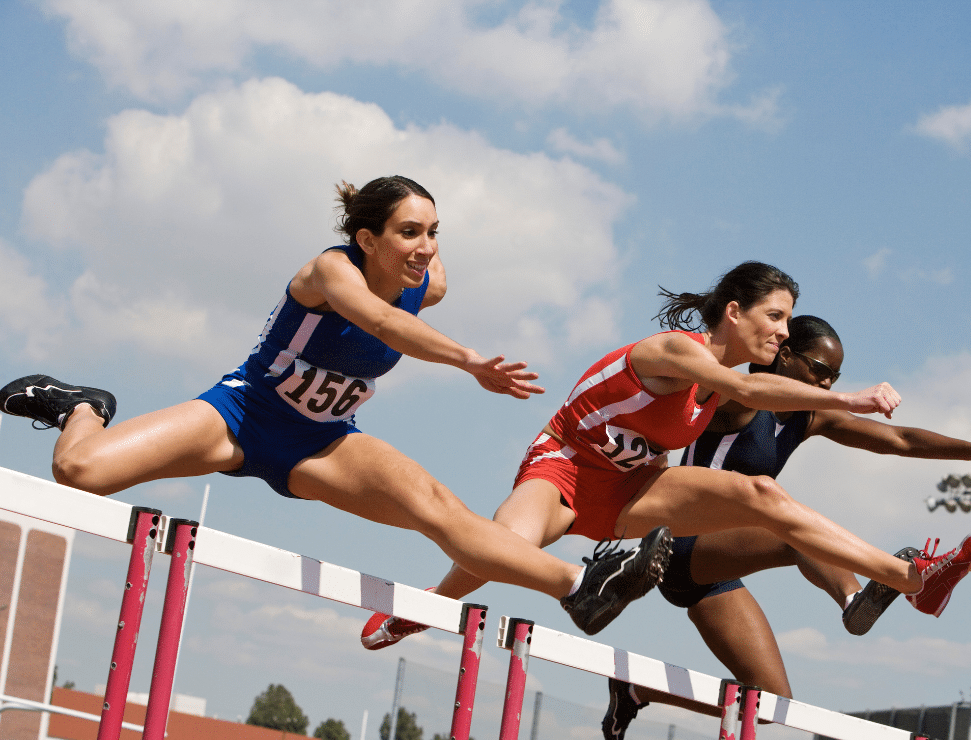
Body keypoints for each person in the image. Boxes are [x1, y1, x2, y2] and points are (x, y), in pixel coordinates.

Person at [0, 176, 670, 635]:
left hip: (322, 440)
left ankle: (583, 581)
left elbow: (402, 306)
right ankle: (82, 405)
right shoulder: (329, 271)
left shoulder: (428, 282)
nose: (426, 247)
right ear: (367, 237)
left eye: (434, 231)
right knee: (80, 473)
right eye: (409, 231)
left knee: (440, 512)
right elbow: (379, 323)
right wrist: (469, 361)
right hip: (242, 414)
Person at [365, 262, 971, 649]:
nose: (784, 333)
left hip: (635, 489)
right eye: (776, 316)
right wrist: (852, 397)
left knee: (762, 496)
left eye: (789, 322)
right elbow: (748, 389)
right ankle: (423, 608)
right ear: (734, 312)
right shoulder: (675, 351)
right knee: (503, 545)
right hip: (567, 468)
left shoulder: (728, 376)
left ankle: (910, 580)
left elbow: (753, 390)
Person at [599, 315, 971, 740]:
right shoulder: (738, 399)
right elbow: (725, 389)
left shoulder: (810, 417)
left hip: (712, 572)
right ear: (786, 355)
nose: (827, 386)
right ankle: (858, 599)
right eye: (819, 371)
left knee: (773, 703)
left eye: (835, 377)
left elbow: (900, 440)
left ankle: (639, 691)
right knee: (786, 520)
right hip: (677, 544)